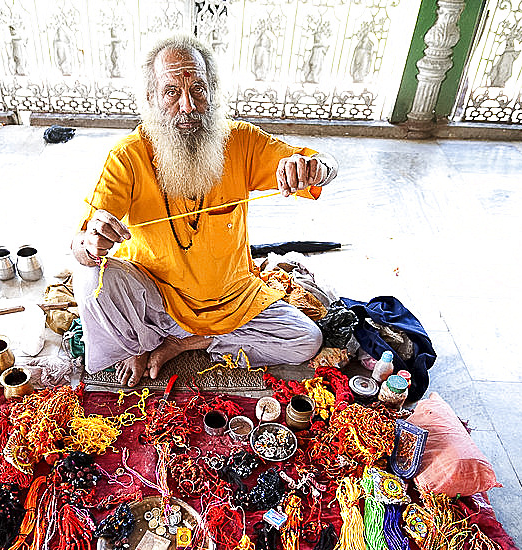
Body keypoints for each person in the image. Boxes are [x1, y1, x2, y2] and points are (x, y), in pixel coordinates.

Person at [72, 34, 338, 387]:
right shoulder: (128, 157)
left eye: (198, 88)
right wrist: (90, 244)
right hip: (157, 300)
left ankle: (188, 342)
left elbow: (326, 164)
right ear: (151, 98)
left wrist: (316, 168)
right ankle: (138, 344)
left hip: (234, 302)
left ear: (212, 91)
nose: (188, 105)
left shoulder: (241, 141)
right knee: (91, 279)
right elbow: (80, 243)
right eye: (171, 92)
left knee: (306, 340)